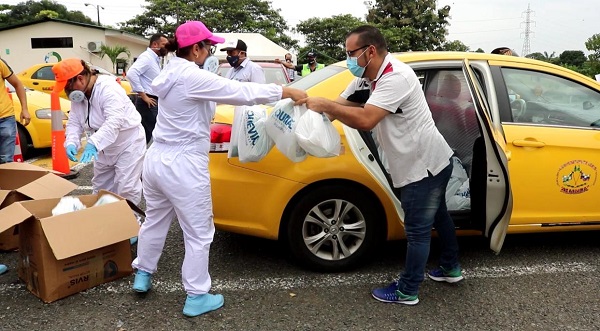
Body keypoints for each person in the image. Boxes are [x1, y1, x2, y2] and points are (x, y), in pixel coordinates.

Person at [130, 20, 307, 318]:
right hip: (183, 164)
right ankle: (197, 296)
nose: (213, 51)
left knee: (155, 220)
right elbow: (239, 91)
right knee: (199, 232)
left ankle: (143, 274)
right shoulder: (191, 76)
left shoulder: (169, 72)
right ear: (196, 48)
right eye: (209, 46)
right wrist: (285, 91)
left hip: (157, 158)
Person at [297, 25, 462, 305]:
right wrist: (306, 121)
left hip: (424, 166)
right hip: (424, 161)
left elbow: (365, 120)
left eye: (352, 53)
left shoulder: (395, 76)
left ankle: (407, 290)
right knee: (439, 216)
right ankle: (450, 268)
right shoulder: (367, 76)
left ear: (370, 51)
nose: (349, 59)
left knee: (418, 228)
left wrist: (325, 106)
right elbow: (339, 105)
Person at [52, 59, 146, 229]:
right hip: (104, 145)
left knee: (126, 186)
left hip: (128, 143)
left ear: (80, 78)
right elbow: (74, 122)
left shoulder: (108, 89)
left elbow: (115, 121)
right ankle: (106, 222)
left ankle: (131, 225)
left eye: (68, 87)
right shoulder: (79, 96)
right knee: (101, 187)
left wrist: (93, 143)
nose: (68, 92)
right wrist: (71, 142)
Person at [126, 33, 169, 144]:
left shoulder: (154, 59)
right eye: (164, 44)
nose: (167, 47)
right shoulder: (147, 57)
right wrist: (144, 95)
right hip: (149, 101)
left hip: (153, 100)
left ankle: (140, 157)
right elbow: (131, 73)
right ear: (155, 44)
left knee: (147, 134)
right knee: (151, 133)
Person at [1, 58, 30, 163]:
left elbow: (18, 84)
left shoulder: (0, 63)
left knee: (6, 160)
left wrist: (25, 109)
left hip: (5, 118)